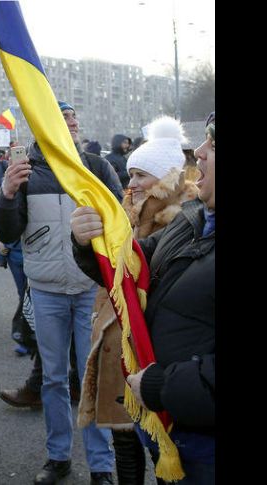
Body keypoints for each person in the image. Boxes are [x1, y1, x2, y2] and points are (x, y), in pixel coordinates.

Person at [71, 112, 214, 485]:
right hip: (170, 419)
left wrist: (160, 386)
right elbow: (132, 265)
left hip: (202, 438)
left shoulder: (182, 212)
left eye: (212, 144)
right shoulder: (195, 220)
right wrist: (91, 242)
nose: (197, 152)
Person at [0, 101, 121, 485]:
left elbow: (121, 218)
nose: (72, 124)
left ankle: (101, 465)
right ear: (43, 125)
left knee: (91, 377)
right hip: (46, 291)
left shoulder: (95, 167)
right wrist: (7, 191)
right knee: (52, 379)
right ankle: (58, 457)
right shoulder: (26, 171)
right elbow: (8, 231)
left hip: (88, 290)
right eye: (63, 119)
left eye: (74, 119)